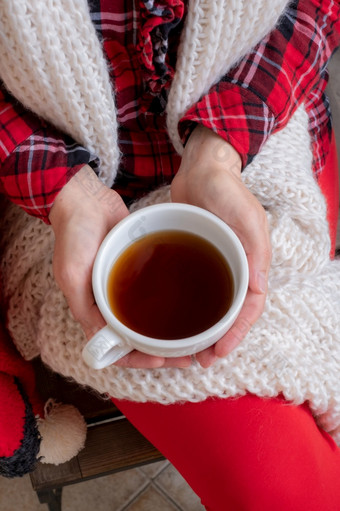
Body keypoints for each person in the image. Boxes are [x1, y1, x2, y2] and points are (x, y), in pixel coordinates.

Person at [0, 0, 340, 508]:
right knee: (279, 490)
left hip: (263, 126)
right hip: (59, 190)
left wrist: (219, 149)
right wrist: (65, 193)